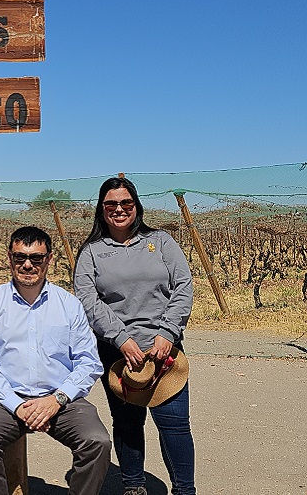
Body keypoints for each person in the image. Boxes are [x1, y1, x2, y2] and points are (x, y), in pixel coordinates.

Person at [74, 177, 196, 495]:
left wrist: (168, 331)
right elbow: (88, 300)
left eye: (126, 203)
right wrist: (120, 338)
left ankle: (186, 490)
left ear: (136, 206)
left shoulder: (161, 242)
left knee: (175, 423)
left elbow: (183, 286)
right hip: (117, 351)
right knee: (127, 422)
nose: (119, 209)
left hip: (164, 348)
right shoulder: (91, 252)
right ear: (101, 210)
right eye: (111, 204)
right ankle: (133, 485)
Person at [0, 226, 111, 495]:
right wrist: (17, 405)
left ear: (50, 260)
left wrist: (57, 400)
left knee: (97, 441)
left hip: (61, 400)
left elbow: (89, 362)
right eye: (20, 257)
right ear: (9, 258)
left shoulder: (68, 305)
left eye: (36, 258)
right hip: (6, 400)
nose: (28, 265)